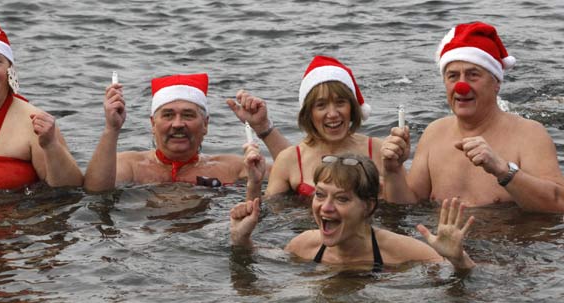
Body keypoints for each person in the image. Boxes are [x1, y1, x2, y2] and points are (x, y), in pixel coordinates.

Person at [381, 21, 564, 212]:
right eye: (453, 76)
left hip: (506, 238)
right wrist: (392, 171)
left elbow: (559, 204)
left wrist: (503, 171)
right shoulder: (434, 133)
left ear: (496, 83)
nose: (462, 86)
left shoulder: (530, 134)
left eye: (473, 75)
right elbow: (406, 207)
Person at [230, 153, 476, 271]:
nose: (325, 207)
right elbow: (264, 261)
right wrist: (242, 240)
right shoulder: (303, 245)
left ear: (368, 206)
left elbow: (477, 280)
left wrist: (459, 259)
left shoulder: (403, 250)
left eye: (342, 198)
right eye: (320, 194)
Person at [83, 73, 288, 192]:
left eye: (188, 115)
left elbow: (298, 175)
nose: (178, 124)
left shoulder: (233, 169)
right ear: (153, 124)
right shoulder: (130, 166)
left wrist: (263, 128)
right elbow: (94, 191)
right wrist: (112, 129)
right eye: (168, 115)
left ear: (206, 124)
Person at [0, 15, 83, 191]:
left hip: (19, 217)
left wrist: (51, 146)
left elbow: (72, 190)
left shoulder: (35, 124)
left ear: (11, 70)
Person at [246, 55, 383, 201]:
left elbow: (403, 206)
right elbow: (264, 218)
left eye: (340, 103)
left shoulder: (377, 150)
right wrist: (254, 185)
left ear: (352, 107)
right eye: (321, 105)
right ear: (308, 114)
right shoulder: (288, 160)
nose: (332, 114)